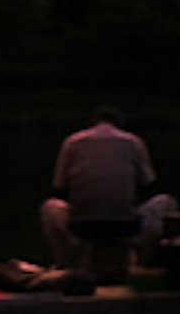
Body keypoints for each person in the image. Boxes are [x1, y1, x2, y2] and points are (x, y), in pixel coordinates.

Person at [44, 110, 161, 291]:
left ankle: (66, 265)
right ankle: (145, 262)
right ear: (118, 123)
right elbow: (149, 182)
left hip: (82, 225)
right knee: (165, 201)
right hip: (125, 224)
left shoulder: (73, 142)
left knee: (50, 207)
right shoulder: (132, 142)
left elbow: (59, 186)